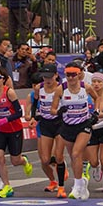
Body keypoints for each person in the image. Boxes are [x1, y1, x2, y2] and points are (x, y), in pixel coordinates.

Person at [0, 66, 32, 198]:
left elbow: (19, 112)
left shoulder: (9, 92)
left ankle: (23, 160)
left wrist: (4, 120)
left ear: (4, 79)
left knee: (15, 161)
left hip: (14, 129)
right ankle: (7, 185)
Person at [56, 63, 94, 200]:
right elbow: (53, 110)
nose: (71, 78)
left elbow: (99, 97)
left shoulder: (86, 87)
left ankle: (77, 186)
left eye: (73, 74)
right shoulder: (61, 89)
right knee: (73, 157)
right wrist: (59, 111)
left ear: (79, 74)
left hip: (84, 124)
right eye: (68, 75)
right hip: (68, 125)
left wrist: (96, 112)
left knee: (77, 152)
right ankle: (81, 183)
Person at [29, 63, 62, 192]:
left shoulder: (61, 89)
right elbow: (35, 103)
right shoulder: (39, 88)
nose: (47, 80)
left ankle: (61, 184)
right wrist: (33, 117)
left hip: (59, 123)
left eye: (50, 77)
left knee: (57, 156)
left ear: (56, 76)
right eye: (44, 77)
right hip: (45, 123)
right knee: (45, 159)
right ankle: (52, 180)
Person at [84, 73, 103, 192]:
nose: (96, 84)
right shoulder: (88, 97)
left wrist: (96, 125)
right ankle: (96, 167)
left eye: (99, 82)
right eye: (94, 82)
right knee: (93, 161)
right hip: (91, 130)